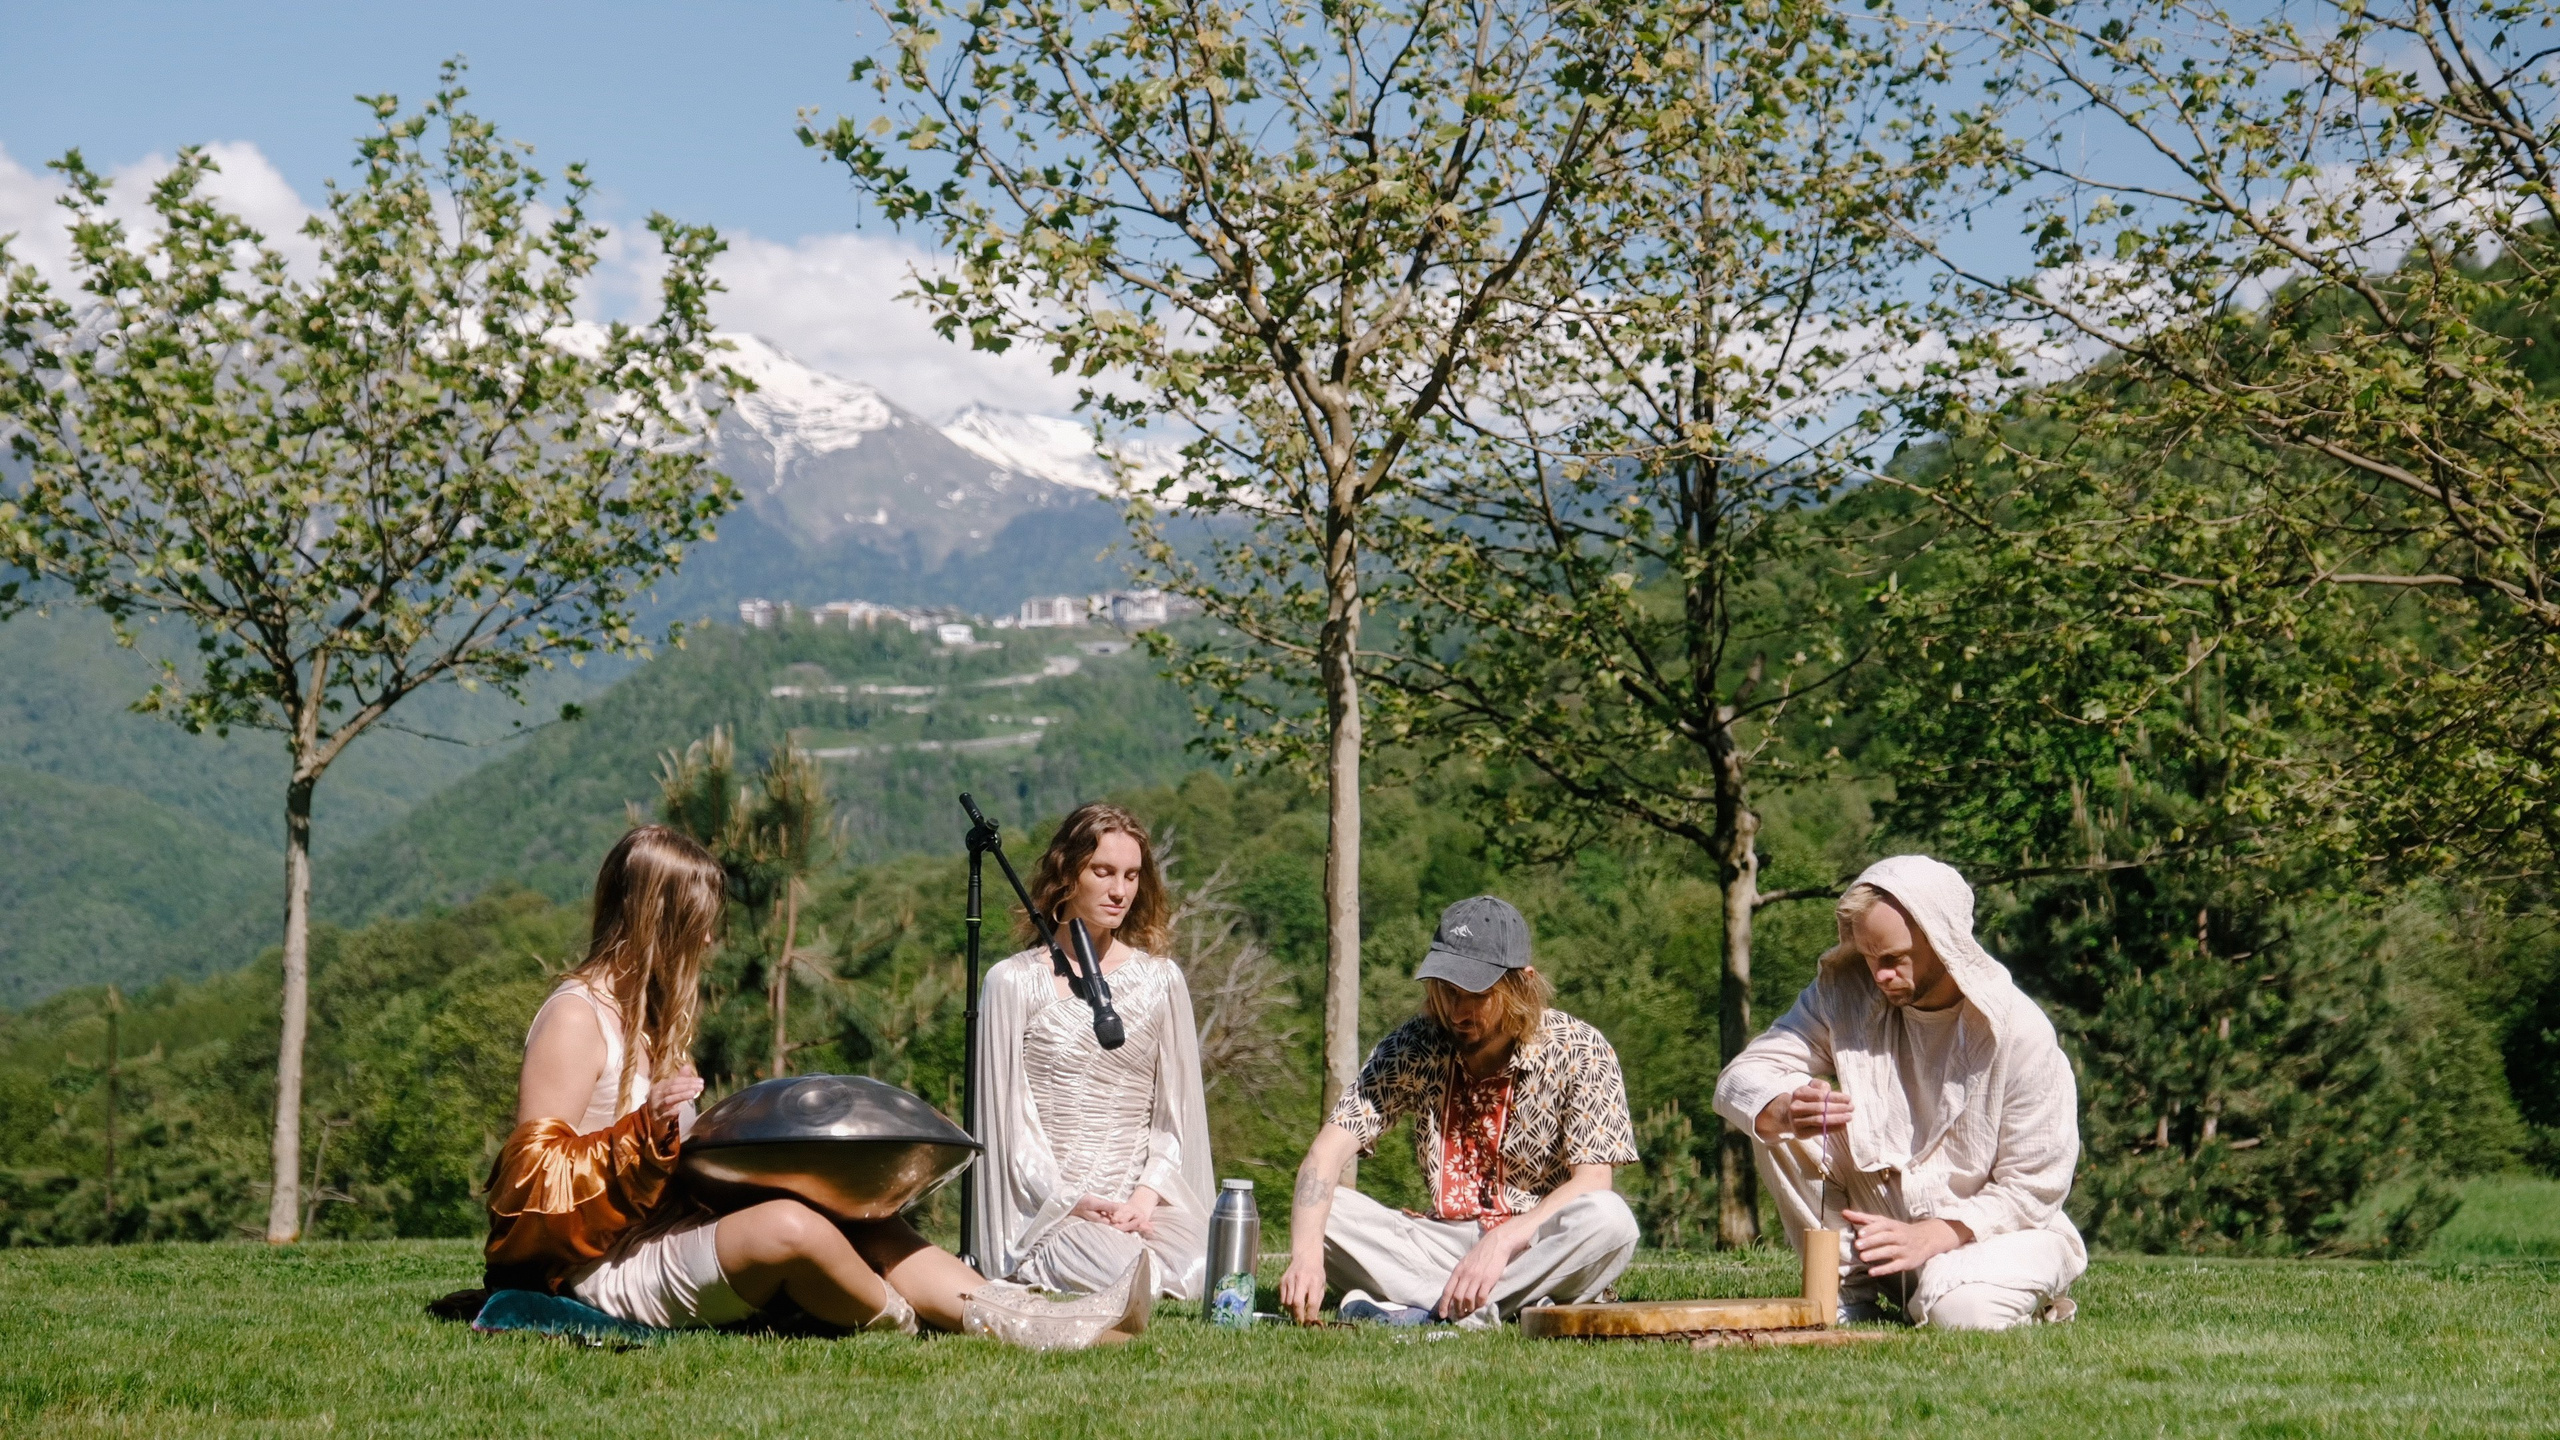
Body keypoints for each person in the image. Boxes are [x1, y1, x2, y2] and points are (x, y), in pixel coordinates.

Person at [481, 824, 988, 1336]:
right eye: (695, 923)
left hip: (674, 1228)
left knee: (863, 1214)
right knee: (789, 1226)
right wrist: (643, 1131)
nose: (707, 939)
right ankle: (903, 1318)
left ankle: (1010, 1315)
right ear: (653, 920)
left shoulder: (652, 1018)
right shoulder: (574, 1017)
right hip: (601, 1264)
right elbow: (529, 1184)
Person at [1712, 854, 2086, 1331]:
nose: (1879, 975)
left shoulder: (2020, 1030)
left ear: (1943, 939)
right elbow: (1740, 1078)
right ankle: (1847, 1294)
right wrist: (1786, 1110)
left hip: (1994, 1236)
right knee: (1777, 1109)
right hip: (1885, 1225)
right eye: (1869, 957)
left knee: (1961, 1315)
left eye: (1893, 959)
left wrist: (1933, 1234)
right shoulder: (1845, 994)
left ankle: (2006, 1301)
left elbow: (2034, 1188)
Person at [1279, 895, 1641, 1328]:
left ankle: (1433, 1309)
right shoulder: (1413, 1044)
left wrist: (1503, 1240)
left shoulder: (1581, 1049)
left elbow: (1593, 1182)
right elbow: (1324, 1155)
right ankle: (1495, 1307)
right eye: (1448, 990)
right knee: (1326, 1210)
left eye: (1478, 994)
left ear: (1522, 985)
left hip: (1534, 1243)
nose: (1458, 1011)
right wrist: (1306, 1260)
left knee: (1611, 1220)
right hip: (1441, 1243)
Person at [971, 802, 1216, 1305]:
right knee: (1130, 1275)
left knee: (1205, 1269)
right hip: (1052, 1211)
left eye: (1131, 875)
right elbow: (1007, 1126)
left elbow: (1175, 1118)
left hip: (1144, 1206)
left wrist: (1144, 1199)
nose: (1119, 890)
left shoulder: (1161, 981)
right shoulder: (1013, 982)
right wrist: (1072, 1201)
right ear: (1067, 874)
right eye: (1103, 872)